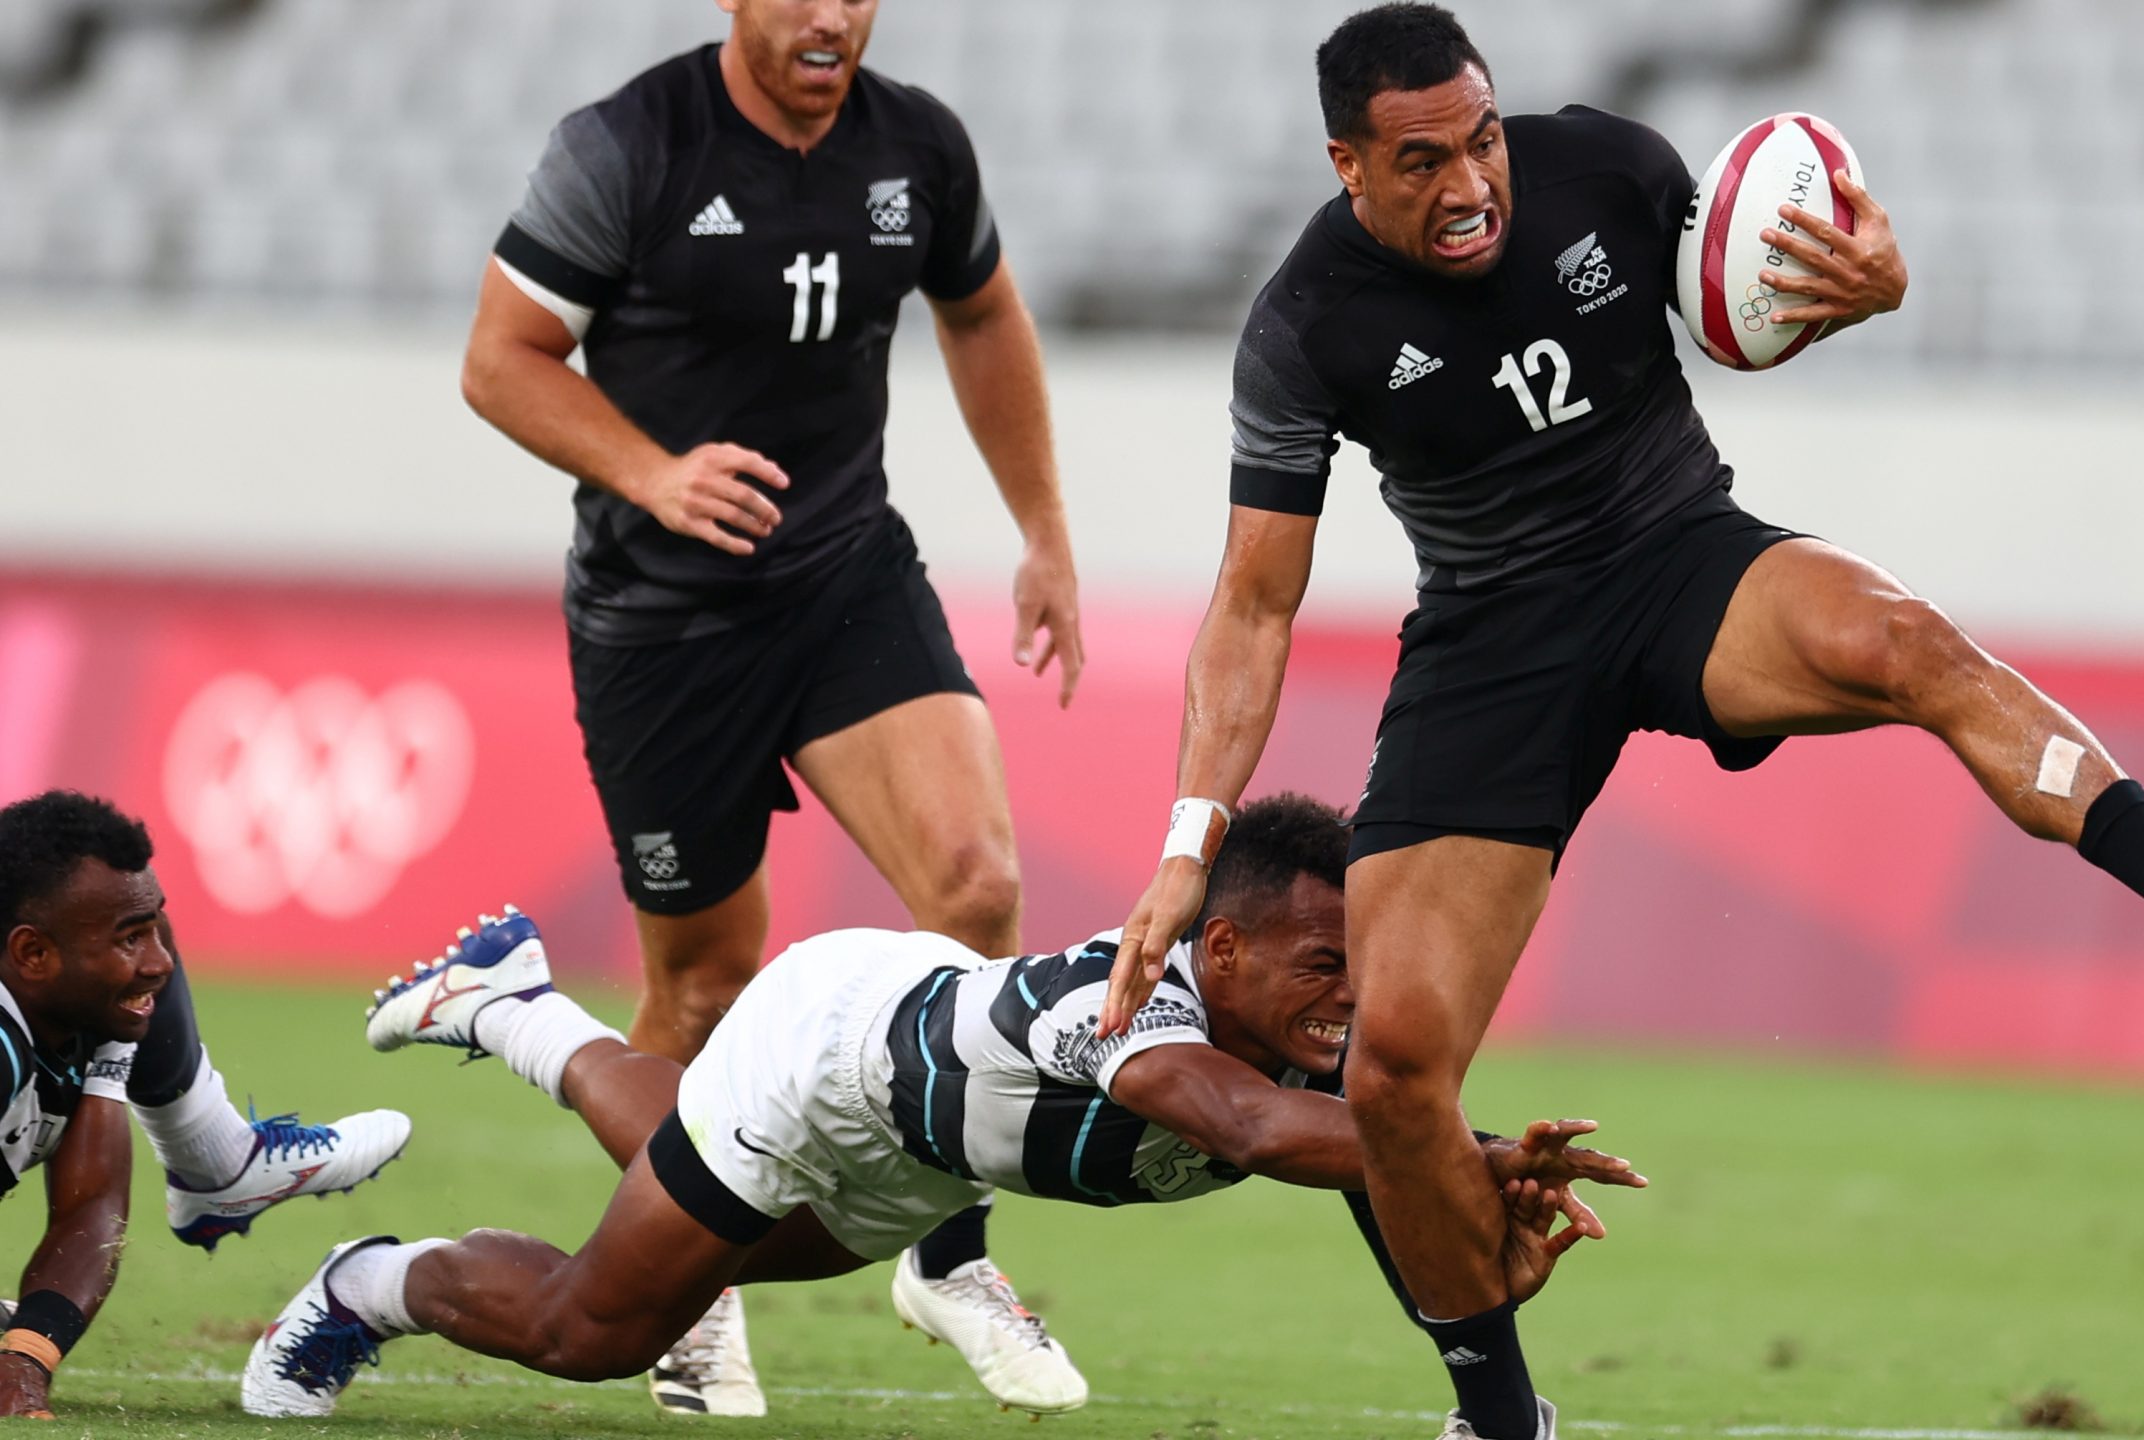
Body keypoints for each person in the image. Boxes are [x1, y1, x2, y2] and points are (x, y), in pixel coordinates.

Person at [1102, 7, 2144, 1438]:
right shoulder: (1305, 327)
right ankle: (1499, 1418)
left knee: (1904, 642)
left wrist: (1869, 287)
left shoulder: (1611, 172)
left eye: (1485, 139)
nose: (1472, 187)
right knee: (1393, 1070)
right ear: (1349, 165)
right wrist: (1190, 842)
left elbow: (1754, 292)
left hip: (1678, 557)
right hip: (1491, 645)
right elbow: (1255, 606)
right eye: (1423, 161)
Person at [459, 0, 1086, 1413]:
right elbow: (499, 357)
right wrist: (651, 472)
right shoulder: (629, 146)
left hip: (843, 577)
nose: (830, 16)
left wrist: (1042, 530)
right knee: (705, 983)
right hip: (664, 620)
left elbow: (981, 310)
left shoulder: (916, 146)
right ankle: (687, 1286)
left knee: (978, 892)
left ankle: (948, 1253)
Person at [239, 795, 1641, 1424]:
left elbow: (1380, 1189)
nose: (1352, 1000)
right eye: (1326, 965)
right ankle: (374, 1284)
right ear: (1220, 951)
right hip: (823, 1063)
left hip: (919, 1162)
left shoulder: (1330, 1052)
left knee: (699, 1219)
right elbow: (1263, 1137)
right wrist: (1476, 1158)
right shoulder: (1137, 1002)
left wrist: (1492, 1388)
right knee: (600, 1330)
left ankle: (515, 1006)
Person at [0, 791, 410, 1418]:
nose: (161, 963)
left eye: (153, 929)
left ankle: (217, 1158)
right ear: (33, 955)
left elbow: (92, 1207)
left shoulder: (84, 1002)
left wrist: (25, 1358)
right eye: (131, 940)